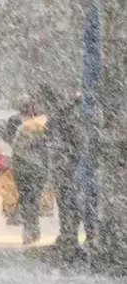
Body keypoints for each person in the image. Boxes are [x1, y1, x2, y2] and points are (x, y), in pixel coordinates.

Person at [45, 89, 84, 259]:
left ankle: (68, 235)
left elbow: (51, 138)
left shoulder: (62, 115)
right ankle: (71, 236)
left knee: (67, 203)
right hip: (73, 167)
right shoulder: (75, 116)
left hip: (66, 167)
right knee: (73, 203)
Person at [11, 94, 50, 245]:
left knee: (33, 198)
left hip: (36, 167)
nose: (29, 108)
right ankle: (29, 229)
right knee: (28, 198)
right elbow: (12, 142)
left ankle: (32, 228)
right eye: (26, 105)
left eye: (31, 105)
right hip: (24, 167)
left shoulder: (43, 123)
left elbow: (46, 144)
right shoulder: (16, 122)